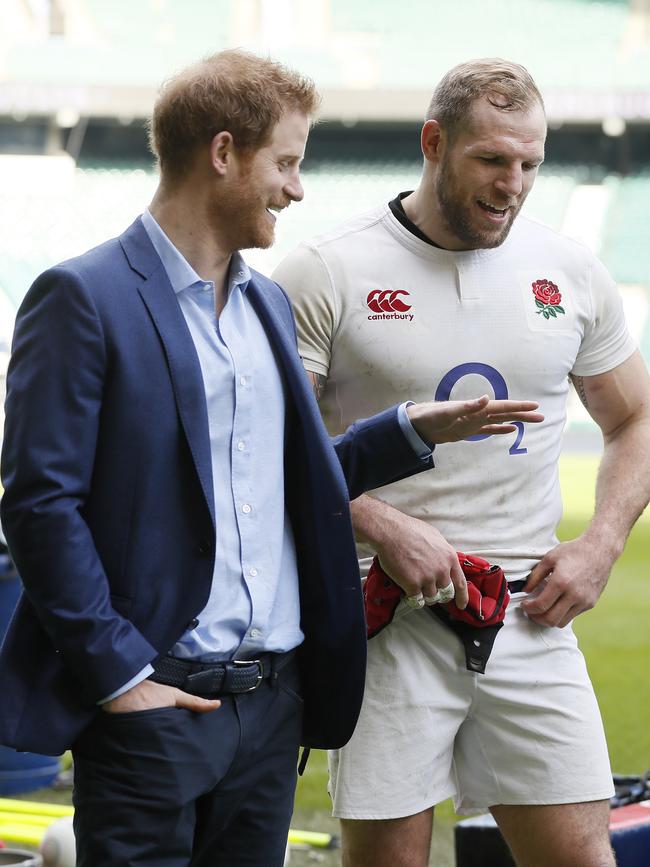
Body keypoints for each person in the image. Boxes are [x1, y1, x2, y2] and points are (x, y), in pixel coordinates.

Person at [0, 51, 543, 867]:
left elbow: (291, 479)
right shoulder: (83, 297)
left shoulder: (263, 302)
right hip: (157, 708)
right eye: (286, 163)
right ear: (224, 154)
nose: (297, 187)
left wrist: (408, 431)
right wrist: (122, 681)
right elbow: (41, 505)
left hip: (272, 708)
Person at [273, 58, 650, 867]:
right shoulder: (327, 270)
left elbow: (636, 416)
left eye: (529, 165)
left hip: (531, 616)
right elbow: (268, 450)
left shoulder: (571, 271)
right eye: (491, 160)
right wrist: (376, 522)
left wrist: (600, 543)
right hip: (386, 619)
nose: (512, 183)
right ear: (435, 143)